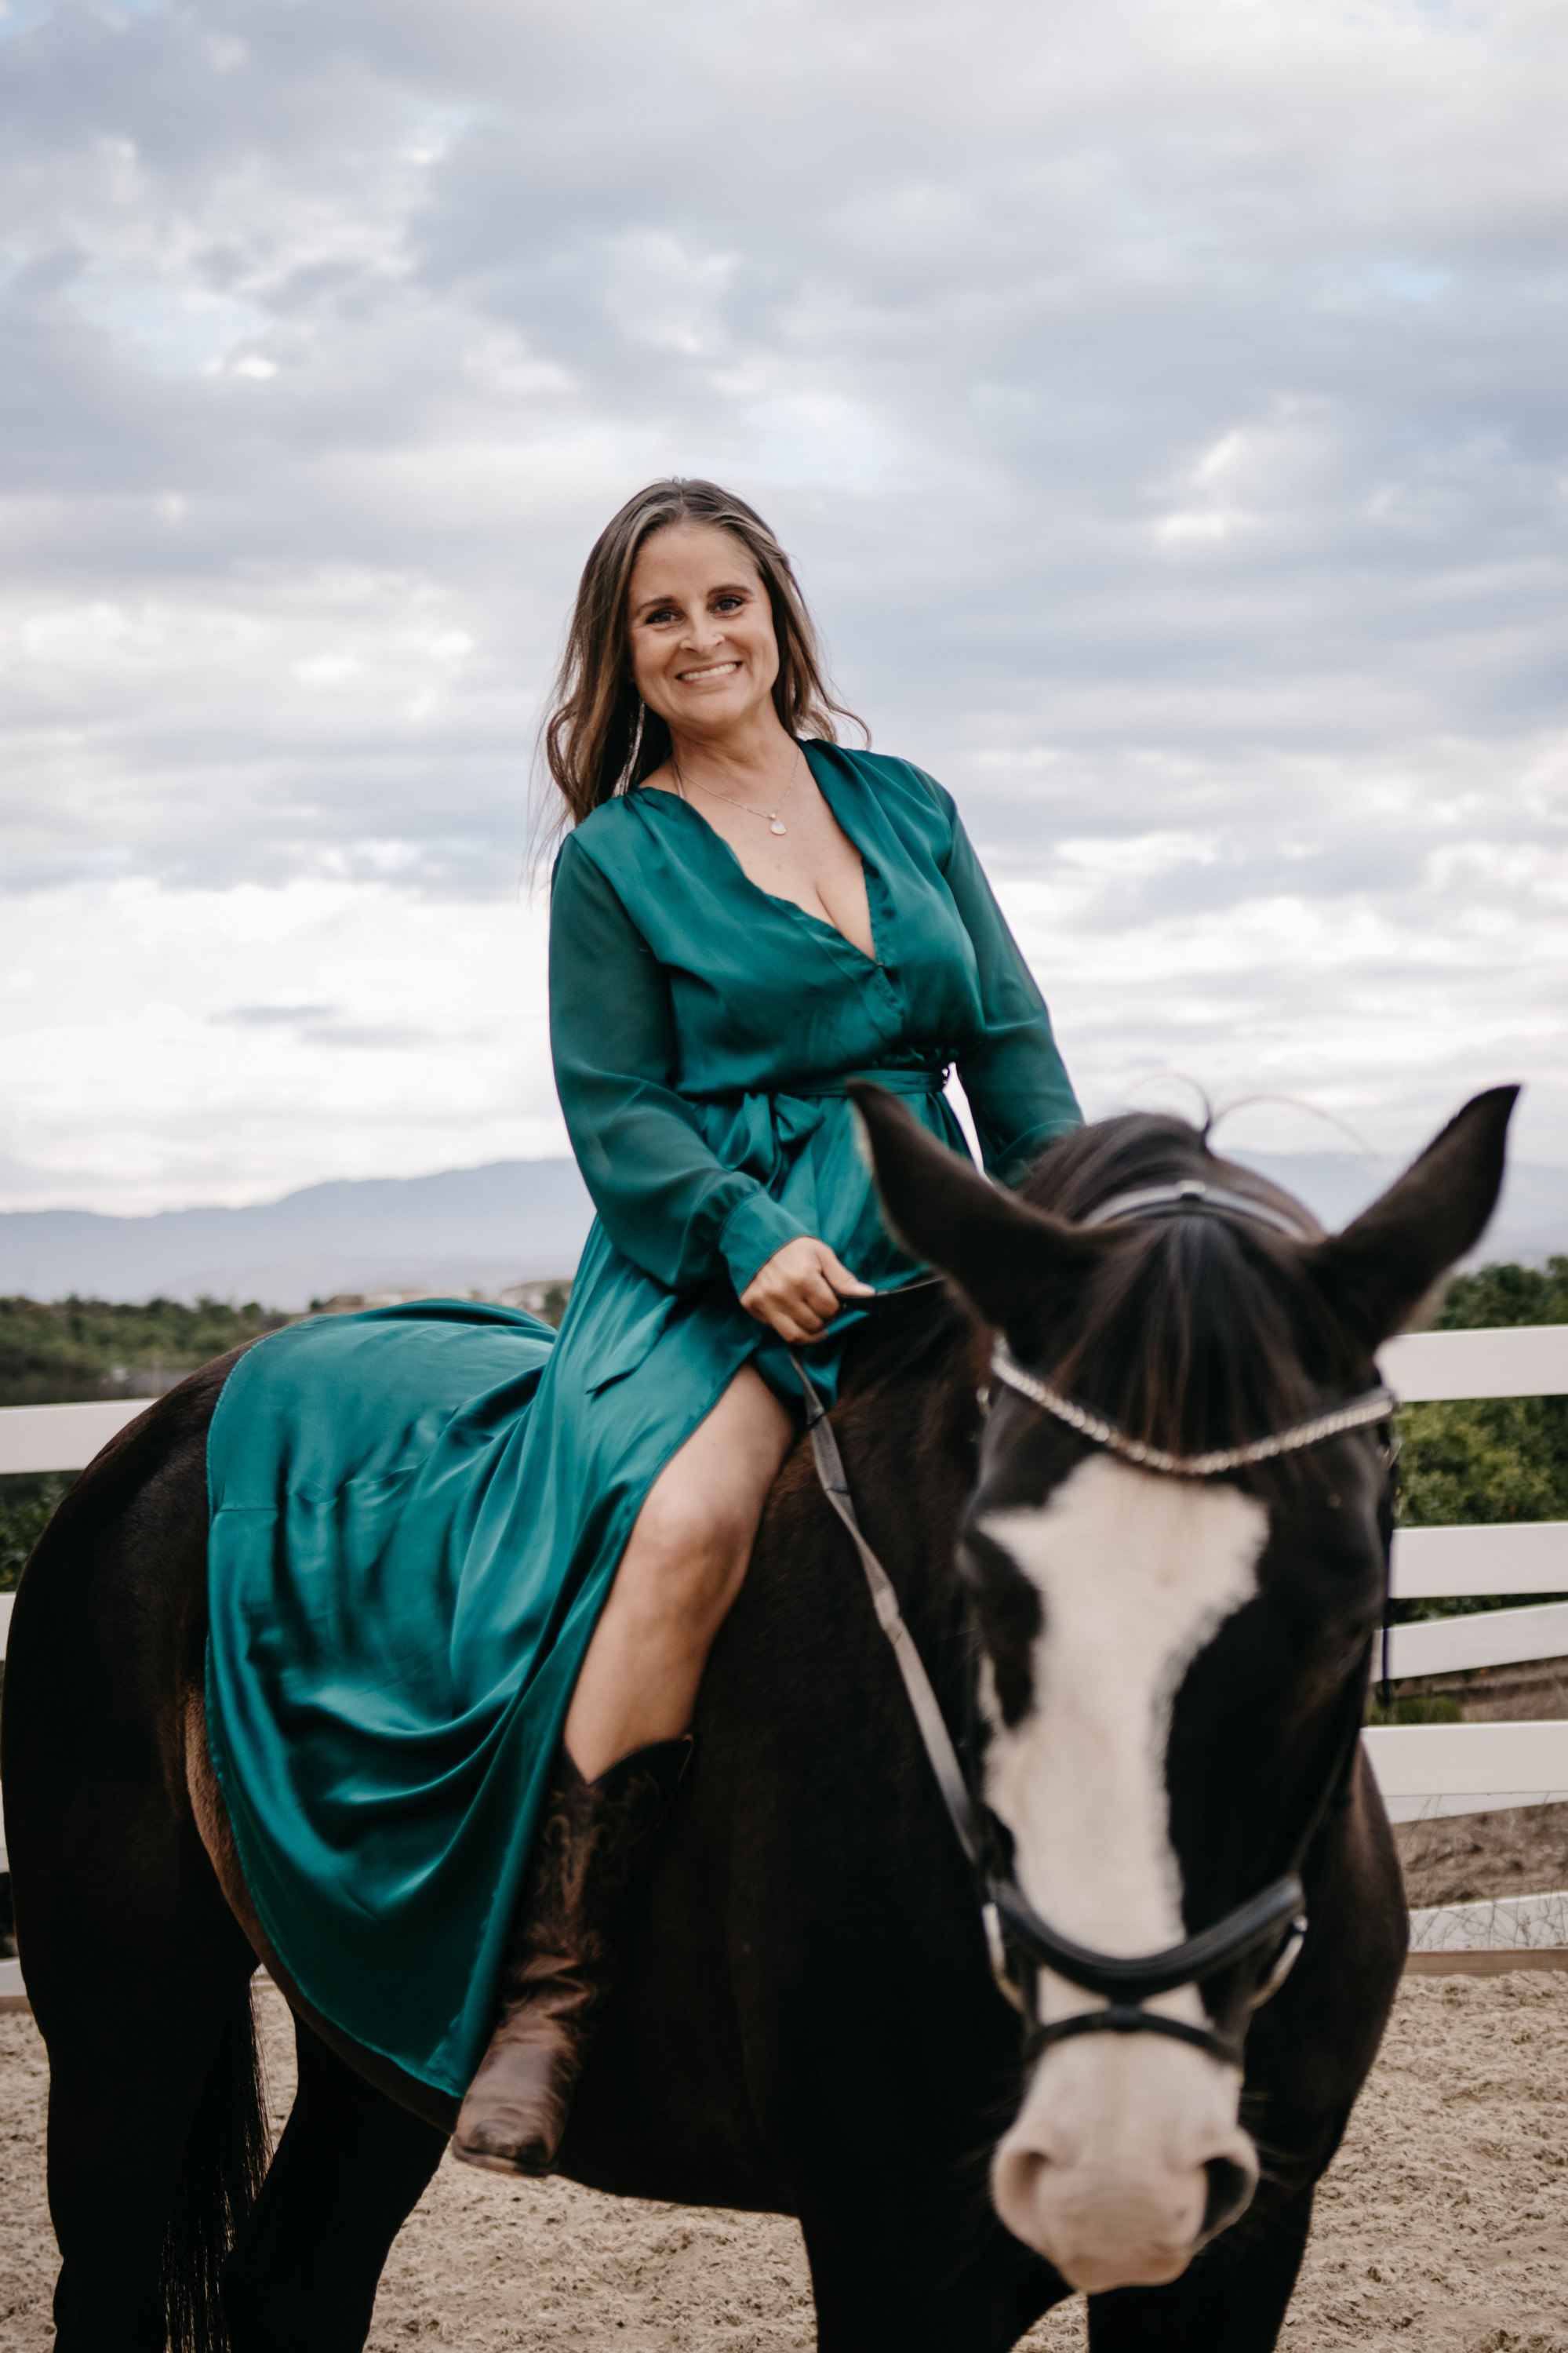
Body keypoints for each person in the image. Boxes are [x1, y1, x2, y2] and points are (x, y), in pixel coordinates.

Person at [202, 478, 1079, 2178]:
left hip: (930, 1241)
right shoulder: (614, 858)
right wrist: (746, 1236)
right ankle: (554, 1990)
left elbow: (1013, 1045)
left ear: (779, 617)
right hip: (711, 1270)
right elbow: (617, 1113)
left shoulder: (906, 807)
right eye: (659, 615)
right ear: (622, 650)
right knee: (686, 1528)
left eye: (726, 603)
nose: (700, 639)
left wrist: (1070, 1239)